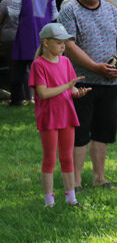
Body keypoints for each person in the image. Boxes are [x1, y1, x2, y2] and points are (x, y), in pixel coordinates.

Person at [58, 0, 117, 190]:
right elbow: (68, 46)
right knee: (79, 134)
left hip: (110, 83)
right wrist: (94, 67)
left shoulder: (111, 10)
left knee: (103, 132)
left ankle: (100, 178)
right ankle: (76, 182)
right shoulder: (69, 10)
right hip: (81, 82)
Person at [29, 23, 91, 207]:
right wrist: (67, 86)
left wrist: (77, 92)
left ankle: (71, 197)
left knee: (67, 157)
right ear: (45, 42)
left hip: (66, 115)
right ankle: (49, 200)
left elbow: (70, 88)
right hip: (49, 117)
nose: (63, 46)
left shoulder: (65, 62)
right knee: (49, 158)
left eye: (64, 42)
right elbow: (43, 93)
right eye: (59, 43)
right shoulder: (38, 64)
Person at [8, 0, 59, 106]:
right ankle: (48, 96)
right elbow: (55, 14)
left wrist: (16, 21)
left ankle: (17, 99)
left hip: (26, 32)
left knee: (19, 66)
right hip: (46, 34)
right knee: (46, 67)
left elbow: (13, 12)